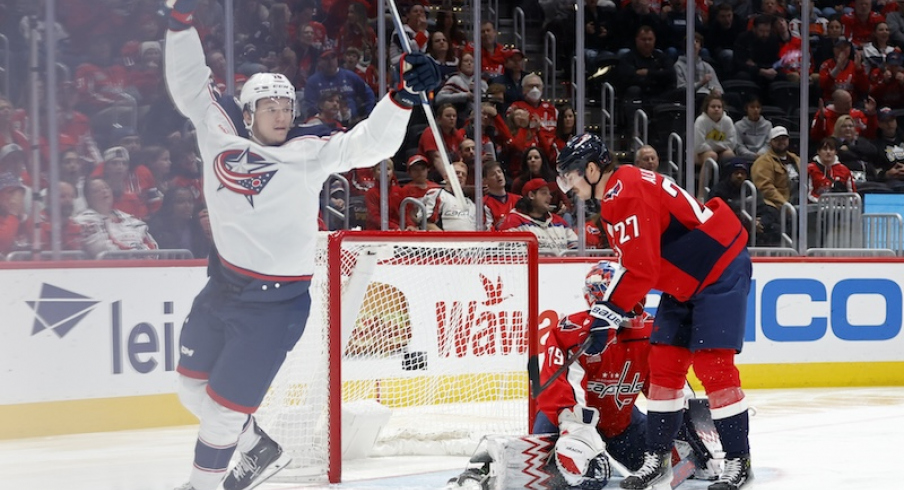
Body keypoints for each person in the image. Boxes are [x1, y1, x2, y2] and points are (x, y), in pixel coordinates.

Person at [163, 2, 442, 490]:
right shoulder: (219, 131)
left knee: (224, 416)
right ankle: (258, 447)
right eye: (269, 108)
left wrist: (401, 97)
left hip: (275, 305)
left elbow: (371, 144)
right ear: (247, 113)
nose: (280, 115)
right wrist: (179, 22)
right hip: (223, 289)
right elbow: (189, 80)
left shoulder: (309, 150)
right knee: (190, 387)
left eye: (286, 106)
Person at [555, 133, 753, 490]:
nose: (568, 185)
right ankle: (657, 460)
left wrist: (607, 313)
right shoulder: (620, 190)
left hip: (719, 267)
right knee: (663, 364)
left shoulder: (625, 191)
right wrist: (608, 313)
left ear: (592, 169)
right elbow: (640, 264)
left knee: (713, 365)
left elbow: (641, 269)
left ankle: (739, 460)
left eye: (570, 175)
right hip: (686, 276)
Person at [74, 178, 158, 258]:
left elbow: (152, 246)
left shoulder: (129, 218)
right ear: (88, 198)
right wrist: (136, 256)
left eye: (106, 188)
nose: (104, 191)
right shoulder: (84, 221)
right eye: (96, 190)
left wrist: (146, 257)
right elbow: (103, 251)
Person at [498, 178, 577, 255]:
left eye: (549, 193)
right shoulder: (514, 221)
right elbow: (509, 254)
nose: (550, 197)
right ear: (531, 195)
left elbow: (576, 247)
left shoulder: (559, 221)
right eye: (544, 193)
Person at [422, 161, 492, 231]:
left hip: (471, 241)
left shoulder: (470, 204)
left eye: (463, 174)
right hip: (445, 240)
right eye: (457, 173)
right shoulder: (437, 194)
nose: (460, 176)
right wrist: (446, 239)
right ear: (446, 177)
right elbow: (426, 222)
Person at [751, 126, 802, 211]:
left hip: (799, 201)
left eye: (784, 139)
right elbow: (765, 188)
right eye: (777, 139)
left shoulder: (796, 159)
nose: (781, 142)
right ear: (770, 142)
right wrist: (785, 204)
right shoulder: (763, 162)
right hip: (776, 205)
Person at [808, 137, 857, 202]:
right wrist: (823, 202)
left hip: (840, 208)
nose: (828, 152)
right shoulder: (810, 169)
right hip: (816, 207)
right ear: (818, 151)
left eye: (831, 149)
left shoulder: (844, 170)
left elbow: (853, 194)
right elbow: (807, 193)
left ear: (835, 152)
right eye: (825, 149)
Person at [482, 161, 520, 230]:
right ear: (485, 181)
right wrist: (498, 227)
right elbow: (486, 231)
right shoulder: (484, 203)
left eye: (499, 172)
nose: (498, 175)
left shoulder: (518, 199)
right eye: (493, 174)